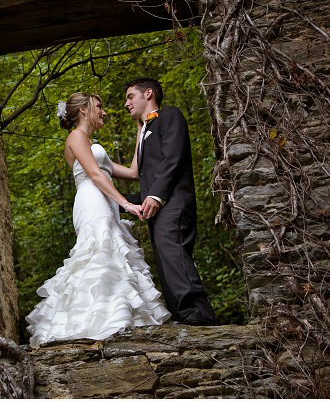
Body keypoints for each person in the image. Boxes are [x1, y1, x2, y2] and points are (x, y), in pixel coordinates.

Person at [25, 93, 170, 348]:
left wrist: (141, 128)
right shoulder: (76, 136)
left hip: (105, 202)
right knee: (98, 253)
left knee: (113, 256)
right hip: (92, 202)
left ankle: (116, 318)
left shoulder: (91, 143)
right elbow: (94, 174)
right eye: (99, 106)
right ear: (84, 110)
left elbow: (133, 172)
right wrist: (126, 204)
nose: (104, 112)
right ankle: (92, 324)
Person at [123, 78, 218, 325]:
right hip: (158, 209)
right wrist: (117, 201)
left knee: (173, 253)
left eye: (131, 96)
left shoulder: (170, 115)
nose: (126, 103)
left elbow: (173, 158)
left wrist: (157, 195)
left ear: (148, 94)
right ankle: (181, 316)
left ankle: (199, 315)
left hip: (174, 202)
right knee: (165, 259)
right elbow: (147, 179)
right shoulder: (144, 131)